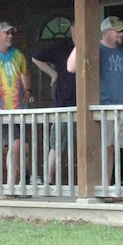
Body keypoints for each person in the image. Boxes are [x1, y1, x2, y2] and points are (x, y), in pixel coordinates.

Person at [66, 15, 123, 186]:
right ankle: (103, 188)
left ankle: (108, 187)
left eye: (122, 31)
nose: (121, 34)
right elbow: (71, 67)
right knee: (105, 149)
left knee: (118, 150)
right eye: (118, 31)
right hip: (102, 108)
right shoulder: (94, 48)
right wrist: (81, 42)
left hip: (122, 107)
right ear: (106, 32)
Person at [0, 21, 32, 191]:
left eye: (12, 33)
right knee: (15, 144)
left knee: (19, 146)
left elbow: (25, 73)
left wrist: (27, 90)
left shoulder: (17, 54)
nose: (10, 36)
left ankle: (19, 181)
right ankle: (13, 185)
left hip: (19, 108)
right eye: (7, 33)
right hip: (1, 109)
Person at [31, 18, 76, 185]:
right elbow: (37, 58)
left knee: (89, 144)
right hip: (64, 102)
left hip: (86, 102)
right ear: (72, 28)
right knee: (57, 144)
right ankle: (48, 180)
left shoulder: (91, 44)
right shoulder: (60, 45)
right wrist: (53, 73)